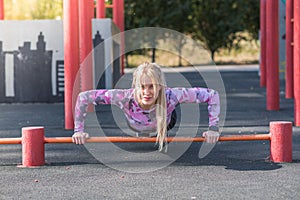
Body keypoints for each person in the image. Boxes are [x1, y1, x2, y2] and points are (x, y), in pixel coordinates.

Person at [72, 62, 220, 151]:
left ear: (160, 86)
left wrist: (213, 129)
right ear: (135, 86)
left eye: (152, 87)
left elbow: (212, 94)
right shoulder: (124, 97)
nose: (146, 92)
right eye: (142, 87)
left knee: (167, 108)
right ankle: (145, 129)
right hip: (135, 124)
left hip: (165, 121)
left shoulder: (172, 95)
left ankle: (157, 128)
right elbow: (83, 97)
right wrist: (79, 131)